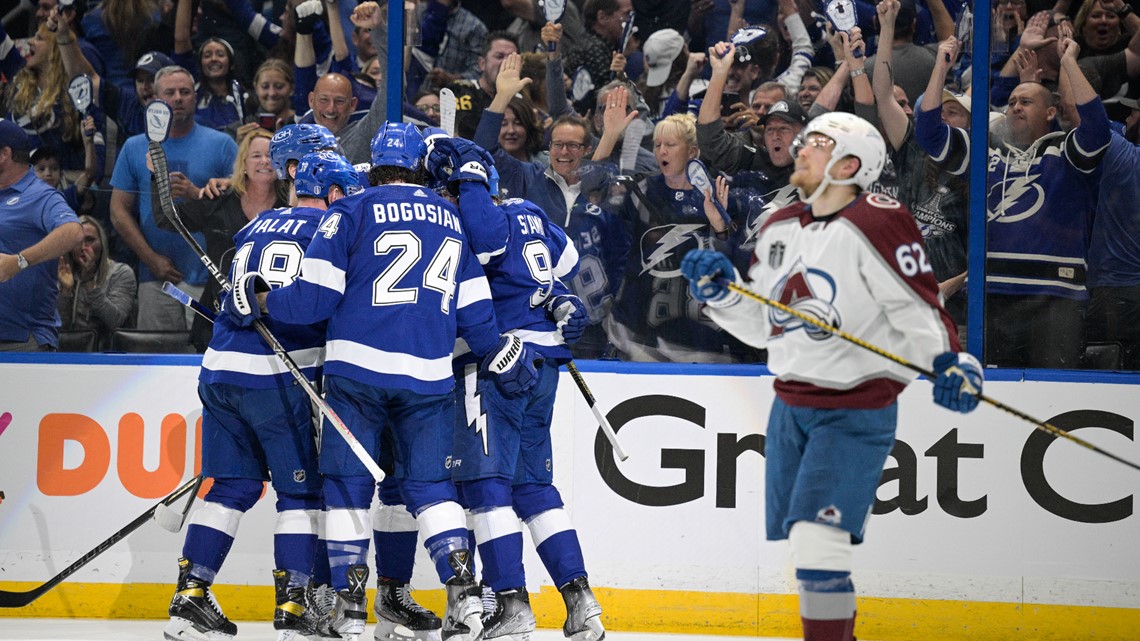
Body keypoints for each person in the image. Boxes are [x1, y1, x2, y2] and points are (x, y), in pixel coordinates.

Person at [230, 122, 540, 641]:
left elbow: (312, 301)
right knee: (431, 489)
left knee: (349, 490)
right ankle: (464, 601)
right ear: (420, 166)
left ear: (372, 166)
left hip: (358, 375)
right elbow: (476, 313)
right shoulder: (450, 219)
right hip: (428, 377)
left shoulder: (351, 210)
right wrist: (498, 354)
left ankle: (351, 610)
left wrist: (263, 300)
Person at [680, 111, 983, 641]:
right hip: (789, 409)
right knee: (810, 546)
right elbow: (763, 324)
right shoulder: (779, 225)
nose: (800, 147)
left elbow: (918, 306)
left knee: (821, 541)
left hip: (854, 409)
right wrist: (723, 294)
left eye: (817, 143)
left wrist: (950, 360)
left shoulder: (877, 218)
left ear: (849, 165)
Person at [165, 150, 361, 641]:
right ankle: (293, 611)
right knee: (300, 495)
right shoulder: (330, 233)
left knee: (232, 488)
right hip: (276, 378)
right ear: (334, 195)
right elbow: (324, 304)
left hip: (219, 370)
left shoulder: (257, 224)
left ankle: (189, 598)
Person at [426, 136, 604, 641]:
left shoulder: (471, 212)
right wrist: (561, 303)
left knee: (487, 489)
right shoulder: (529, 210)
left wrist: (468, 185)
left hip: (498, 362)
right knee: (534, 489)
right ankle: (581, 602)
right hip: (544, 360)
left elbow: (485, 242)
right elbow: (561, 264)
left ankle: (510, 606)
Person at [605, 114, 765, 363]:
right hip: (649, 332)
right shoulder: (641, 193)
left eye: (670, 145)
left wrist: (720, 228)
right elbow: (620, 253)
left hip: (708, 336)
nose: (661, 152)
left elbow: (740, 265)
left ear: (692, 151)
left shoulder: (724, 193)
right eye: (657, 145)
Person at [109, 65, 238, 333]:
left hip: (210, 276)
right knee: (152, 360)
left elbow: (241, 202)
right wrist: (150, 258)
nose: (178, 98)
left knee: (206, 356)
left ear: (195, 96)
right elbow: (118, 212)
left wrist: (197, 194)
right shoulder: (134, 146)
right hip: (154, 276)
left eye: (185, 92)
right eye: (170, 92)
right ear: (155, 99)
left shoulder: (222, 143)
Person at [153, 128, 288, 352]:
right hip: (216, 317)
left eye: (271, 156)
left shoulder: (290, 207)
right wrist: (155, 174)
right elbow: (166, 219)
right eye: (256, 155)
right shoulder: (219, 200)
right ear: (243, 163)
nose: (265, 161)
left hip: (273, 319)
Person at [0, 119, 83, 352]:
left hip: (21, 339)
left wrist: (19, 261)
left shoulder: (40, 195)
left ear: (4, 154)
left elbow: (73, 232)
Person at [57, 215, 137, 350]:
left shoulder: (120, 273)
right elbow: (61, 327)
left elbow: (115, 321)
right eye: (78, 241)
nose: (83, 247)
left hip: (110, 350)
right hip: (73, 351)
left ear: (102, 243)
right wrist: (66, 292)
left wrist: (89, 282)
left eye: (90, 240)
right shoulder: (64, 272)